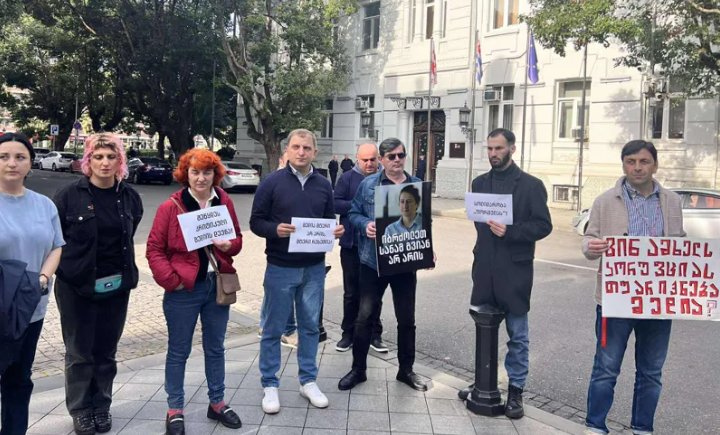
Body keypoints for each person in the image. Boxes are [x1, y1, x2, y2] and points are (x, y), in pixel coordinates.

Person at [581, 140, 684, 435]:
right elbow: (588, 241)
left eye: (644, 161)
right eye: (631, 161)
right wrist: (592, 247)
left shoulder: (672, 201)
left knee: (651, 371)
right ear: (624, 165)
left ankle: (642, 428)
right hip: (614, 301)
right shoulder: (604, 201)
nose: (637, 167)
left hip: (657, 302)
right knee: (606, 368)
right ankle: (595, 425)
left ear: (655, 165)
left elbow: (678, 243)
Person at [146, 148, 244, 434]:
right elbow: (154, 249)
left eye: (207, 172)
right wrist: (172, 281)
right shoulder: (171, 206)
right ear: (185, 174)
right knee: (179, 351)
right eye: (195, 172)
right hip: (183, 290)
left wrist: (229, 245)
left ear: (215, 174)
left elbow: (237, 239)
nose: (201, 178)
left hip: (216, 286)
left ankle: (217, 403)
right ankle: (175, 409)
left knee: (215, 347)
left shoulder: (223, 201)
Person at [52, 133, 143, 435]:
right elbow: (55, 240)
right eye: (98, 157)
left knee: (106, 351)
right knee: (79, 352)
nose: (105, 163)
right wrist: (69, 269)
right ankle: (80, 409)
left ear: (120, 161)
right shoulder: (69, 196)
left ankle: (101, 405)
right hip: (76, 286)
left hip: (116, 286)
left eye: (111, 157)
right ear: (87, 160)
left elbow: (131, 229)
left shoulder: (129, 197)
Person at [460, 128, 552, 419]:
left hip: (515, 272)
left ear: (512, 149)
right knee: (483, 331)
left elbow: (543, 225)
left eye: (498, 148)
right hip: (484, 269)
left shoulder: (531, 185)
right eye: (489, 149)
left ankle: (515, 390)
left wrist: (510, 231)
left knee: (517, 336)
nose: (493, 154)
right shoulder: (479, 183)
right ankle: (483, 382)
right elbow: (478, 222)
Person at [250, 129, 343, 414]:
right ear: (287, 150)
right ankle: (270, 384)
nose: (301, 152)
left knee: (310, 327)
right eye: (296, 147)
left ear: (315, 152)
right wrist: (274, 229)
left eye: (306, 148)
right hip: (280, 267)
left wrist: (334, 231)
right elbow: (256, 222)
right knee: (273, 328)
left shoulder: (323, 184)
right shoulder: (271, 182)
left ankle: (308, 381)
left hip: (314, 269)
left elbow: (328, 219)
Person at [339, 137, 427, 392]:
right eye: (391, 156)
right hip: (372, 261)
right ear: (382, 160)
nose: (397, 160)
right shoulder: (368, 185)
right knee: (365, 316)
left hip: (404, 262)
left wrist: (427, 250)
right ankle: (358, 370)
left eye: (401, 155)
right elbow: (353, 213)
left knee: (406, 319)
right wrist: (364, 224)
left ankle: (406, 370)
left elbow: (423, 222)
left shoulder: (416, 185)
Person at [0, 132, 64, 435]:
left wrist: (42, 278)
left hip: (29, 309)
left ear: (30, 163)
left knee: (18, 379)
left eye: (20, 157)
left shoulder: (45, 205)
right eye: (3, 157)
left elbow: (56, 246)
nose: (12, 163)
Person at [333, 143, 387, 353]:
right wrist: (359, 206)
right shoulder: (347, 178)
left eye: (373, 159)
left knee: (374, 293)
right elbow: (335, 203)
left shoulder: (385, 178)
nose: (369, 163)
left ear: (379, 158)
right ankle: (348, 334)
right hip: (352, 244)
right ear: (357, 159)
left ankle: (375, 334)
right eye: (365, 160)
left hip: (376, 246)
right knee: (351, 293)